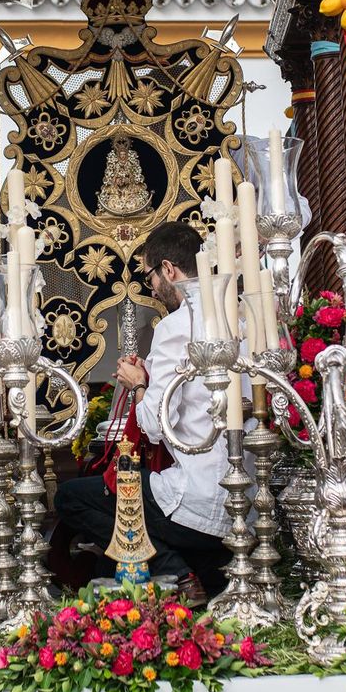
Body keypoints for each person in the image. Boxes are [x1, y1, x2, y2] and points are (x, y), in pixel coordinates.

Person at [55, 222, 230, 604]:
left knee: (70, 498)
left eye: (150, 274)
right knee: (107, 565)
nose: (150, 286)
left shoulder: (175, 326)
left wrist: (136, 383)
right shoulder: (239, 317)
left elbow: (152, 425)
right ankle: (195, 570)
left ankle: (178, 571)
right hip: (239, 503)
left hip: (194, 498)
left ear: (168, 269)